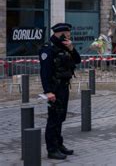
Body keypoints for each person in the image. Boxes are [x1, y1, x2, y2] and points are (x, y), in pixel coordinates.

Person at [39, 23, 81, 160]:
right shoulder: (48, 49)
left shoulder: (65, 46)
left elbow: (77, 60)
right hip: (54, 89)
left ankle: (59, 145)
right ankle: (52, 149)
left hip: (64, 87)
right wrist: (48, 92)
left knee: (61, 117)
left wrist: (71, 48)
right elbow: (44, 73)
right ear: (59, 33)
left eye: (69, 33)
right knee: (53, 119)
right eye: (67, 33)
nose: (69, 36)